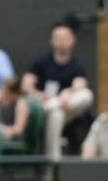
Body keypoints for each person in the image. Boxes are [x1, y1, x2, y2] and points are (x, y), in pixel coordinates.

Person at [22, 22, 93, 160]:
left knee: (86, 95)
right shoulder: (41, 61)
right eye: (58, 38)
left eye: (65, 37)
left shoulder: (77, 65)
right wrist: (39, 95)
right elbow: (26, 84)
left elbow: (80, 85)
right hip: (45, 108)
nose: (62, 42)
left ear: (72, 40)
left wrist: (68, 93)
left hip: (68, 108)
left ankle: (53, 106)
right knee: (56, 115)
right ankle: (54, 162)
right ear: (52, 41)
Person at [0, 77, 29, 142]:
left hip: (15, 139)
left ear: (15, 94)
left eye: (7, 94)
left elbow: (19, 129)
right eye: (2, 92)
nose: (4, 96)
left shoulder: (20, 105)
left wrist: (4, 130)